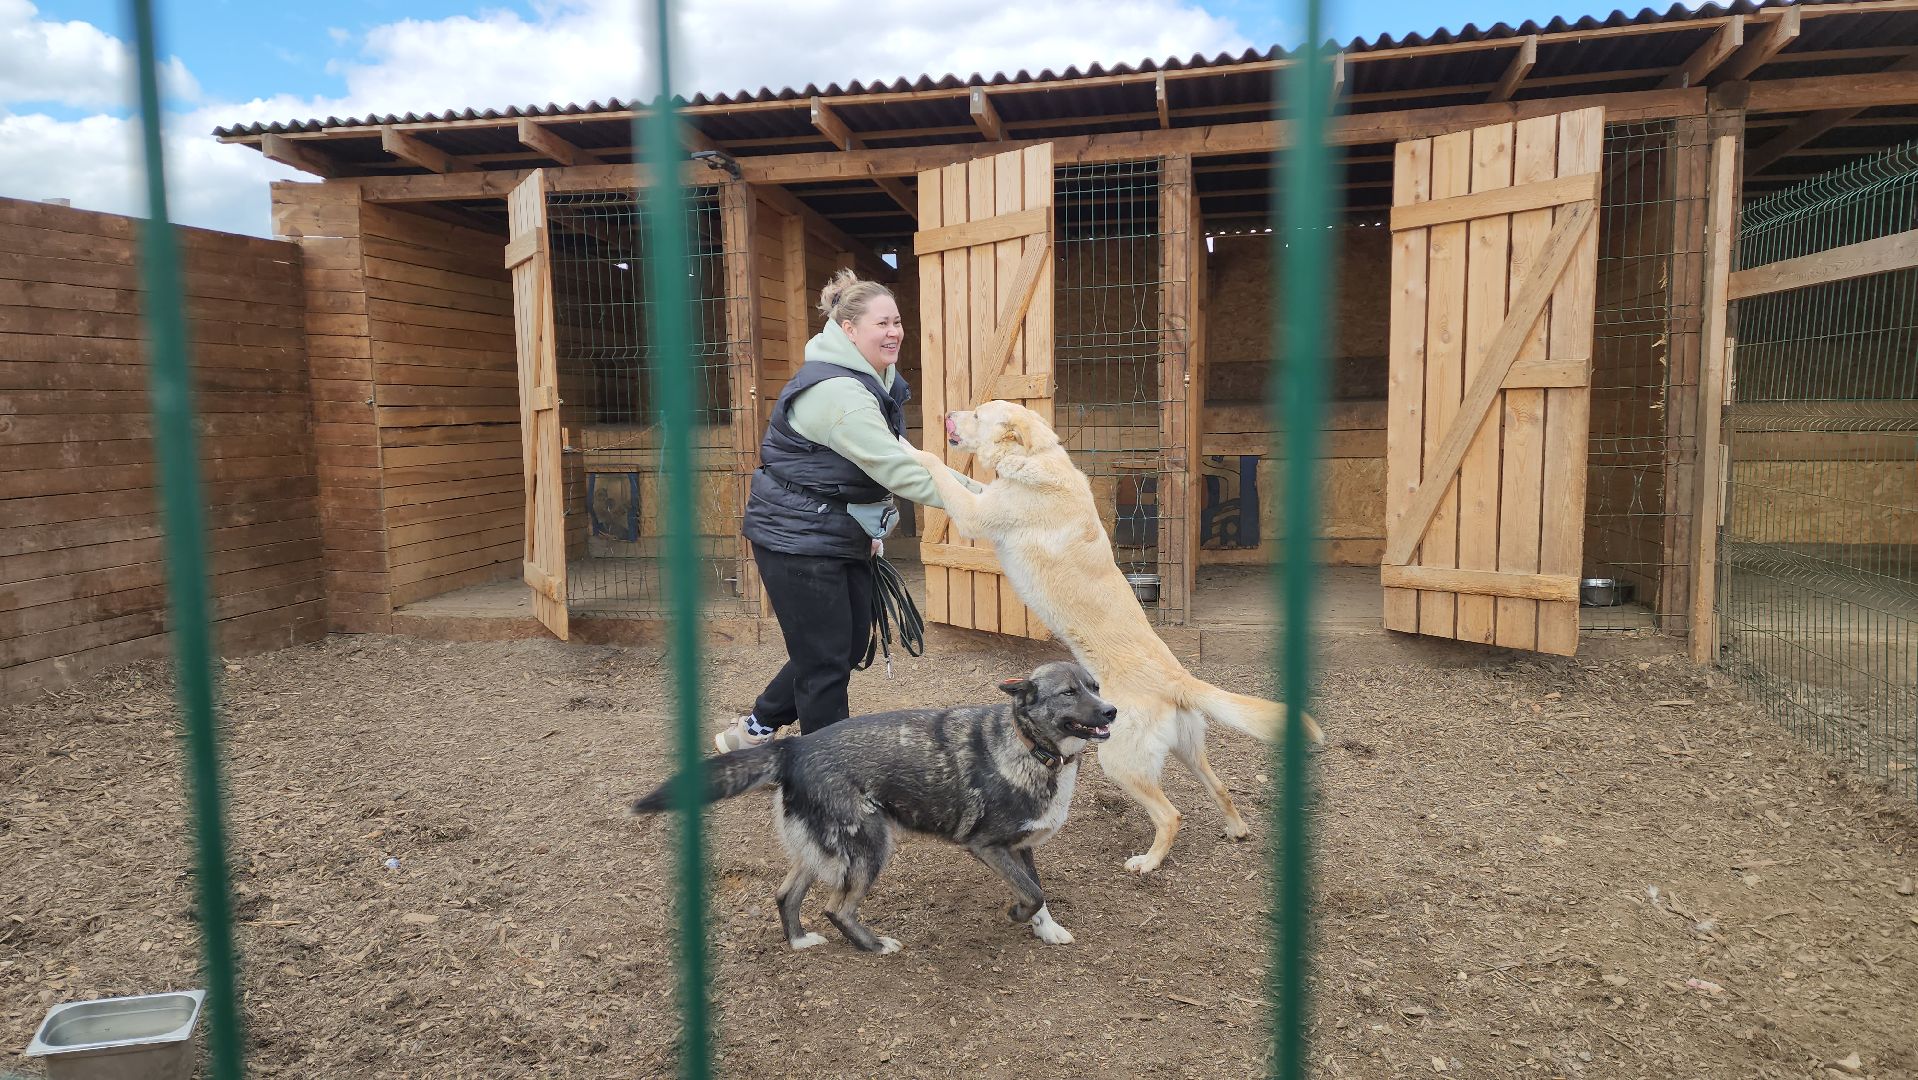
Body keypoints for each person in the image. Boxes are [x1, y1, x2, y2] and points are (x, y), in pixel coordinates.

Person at [714, 269, 978, 752]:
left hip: (832, 529)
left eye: (897, 321)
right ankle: (825, 781)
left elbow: (908, 458)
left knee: (847, 645)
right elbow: (900, 472)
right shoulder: (839, 393)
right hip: (796, 538)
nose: (894, 331)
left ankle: (753, 731)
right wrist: (985, 509)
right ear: (849, 330)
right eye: (882, 323)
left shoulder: (869, 381)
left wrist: (979, 493)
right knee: (825, 662)